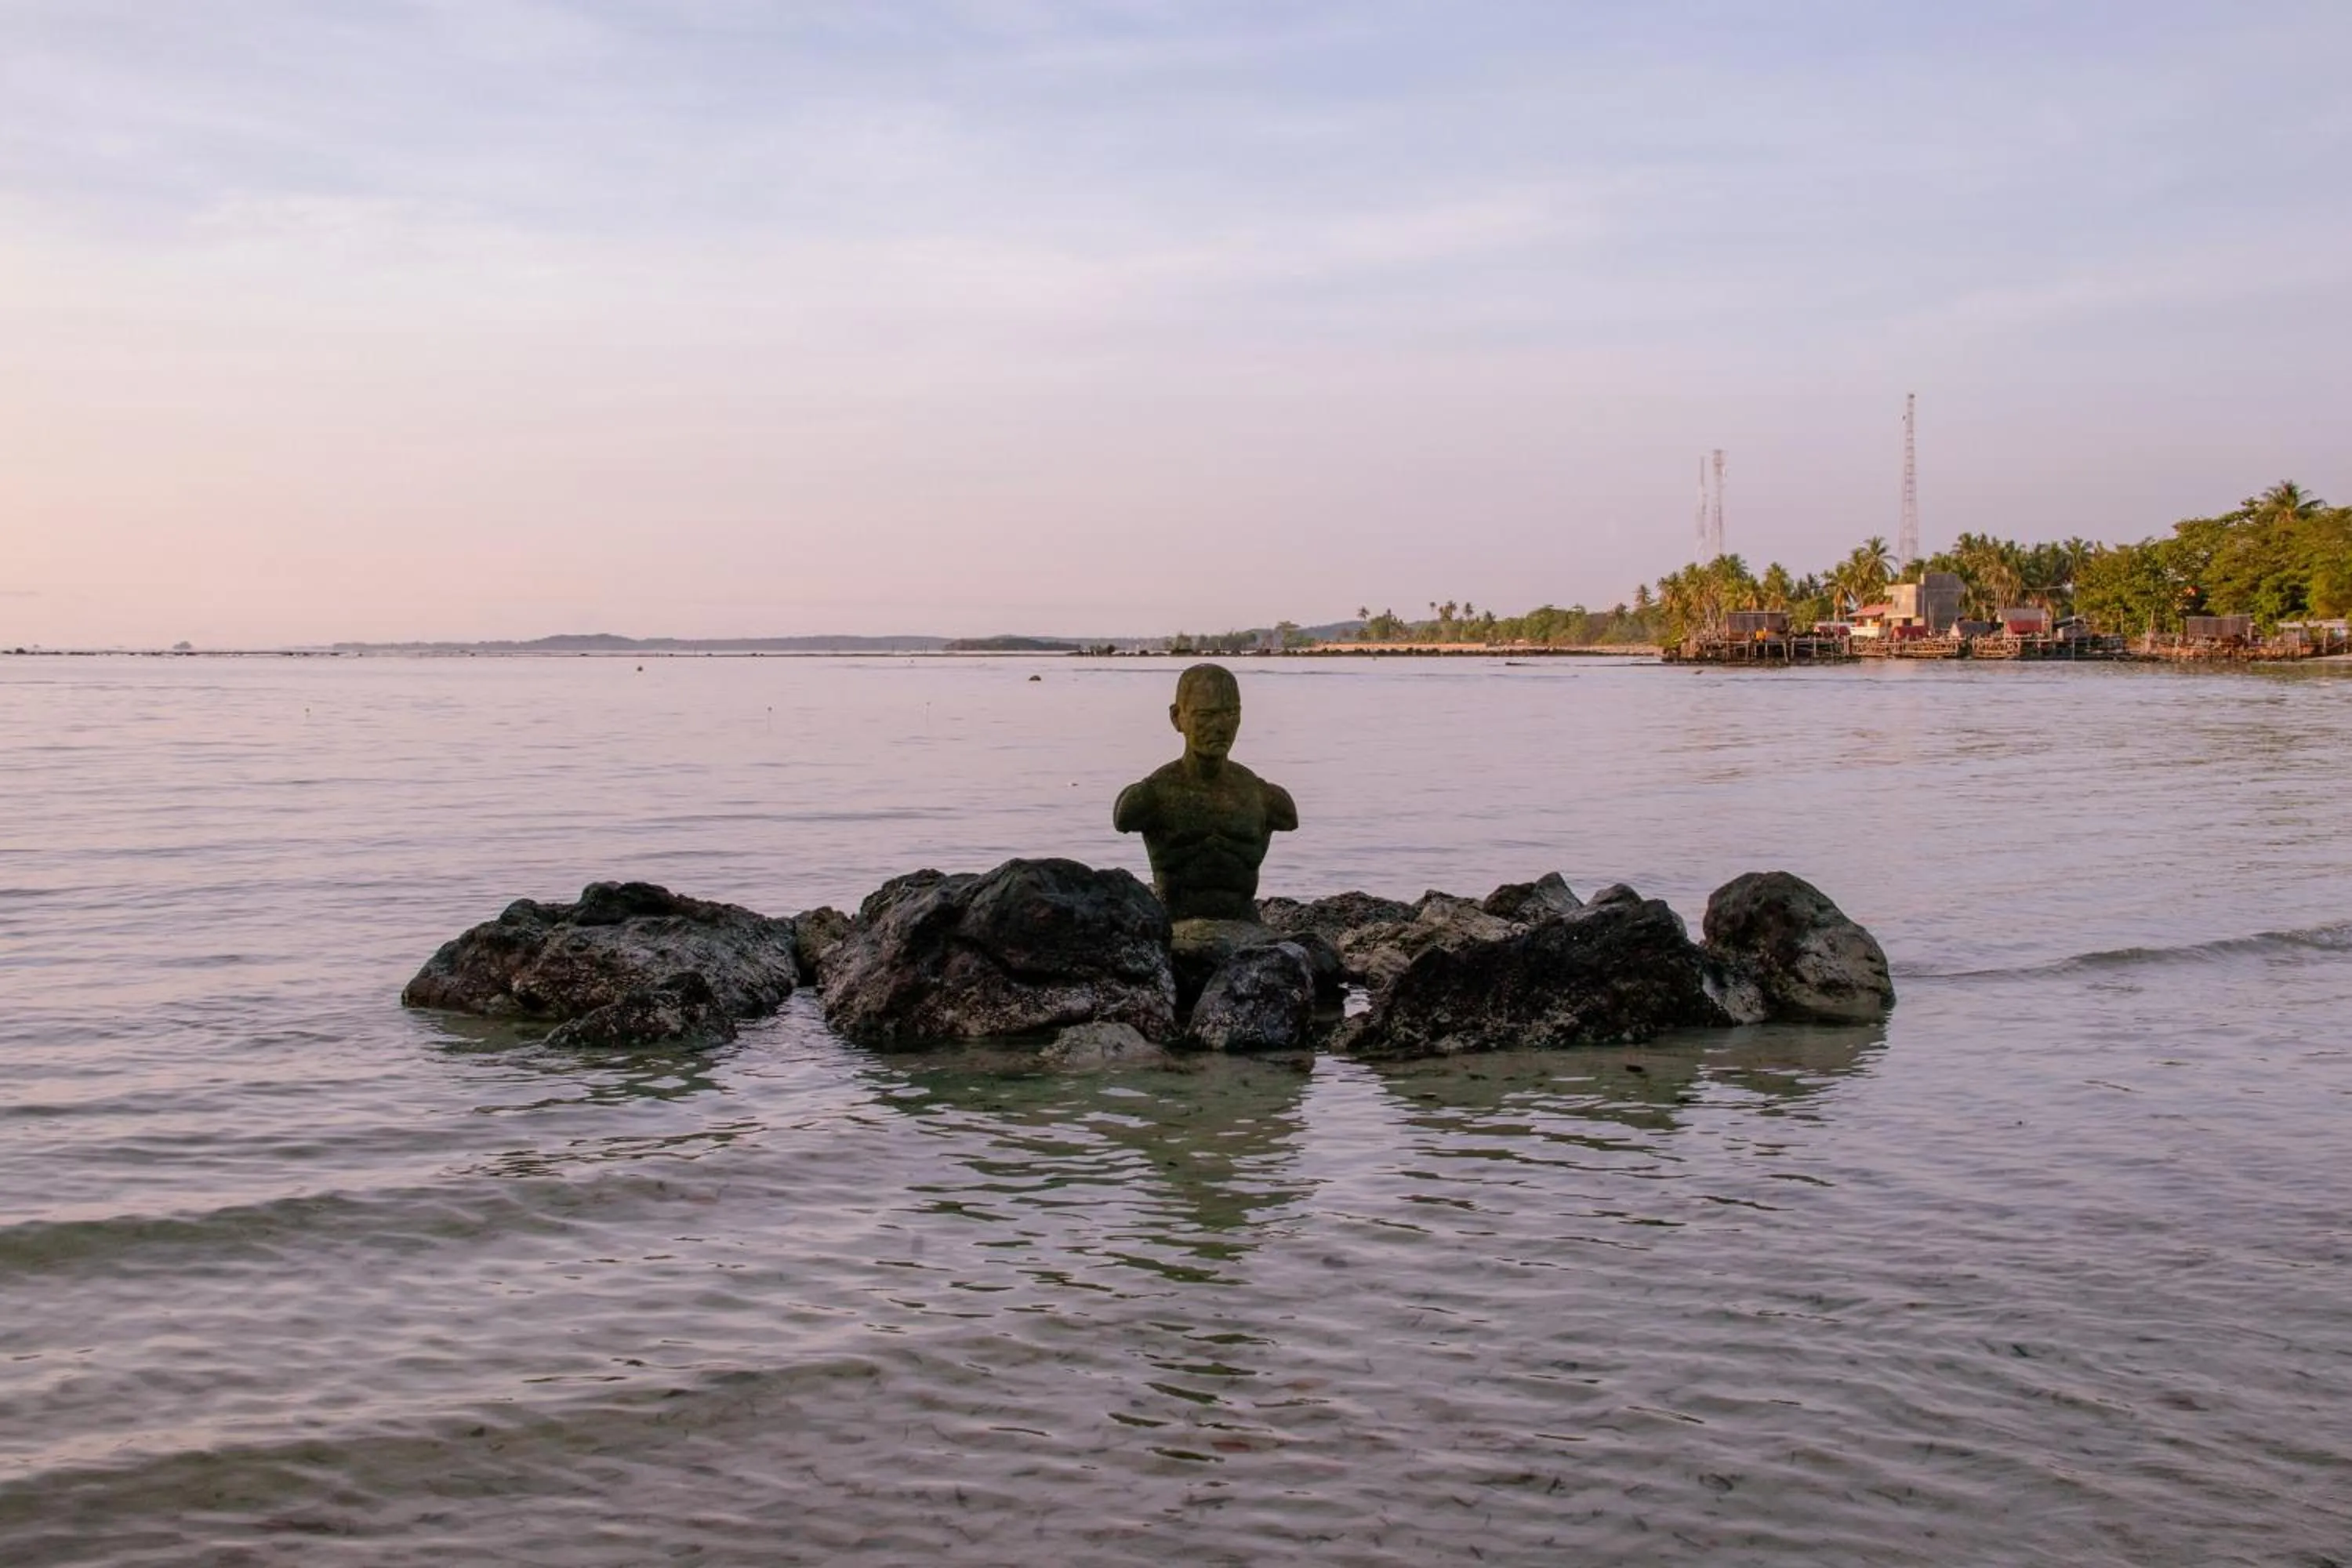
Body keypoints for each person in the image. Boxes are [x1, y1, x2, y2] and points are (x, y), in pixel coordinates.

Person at [1113, 663, 1298, 923]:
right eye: (1206, 715)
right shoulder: (1151, 797)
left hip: (1247, 928)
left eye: (1231, 713)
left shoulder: (1265, 798)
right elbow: (1123, 820)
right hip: (1174, 930)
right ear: (1177, 718)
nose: (1221, 726)